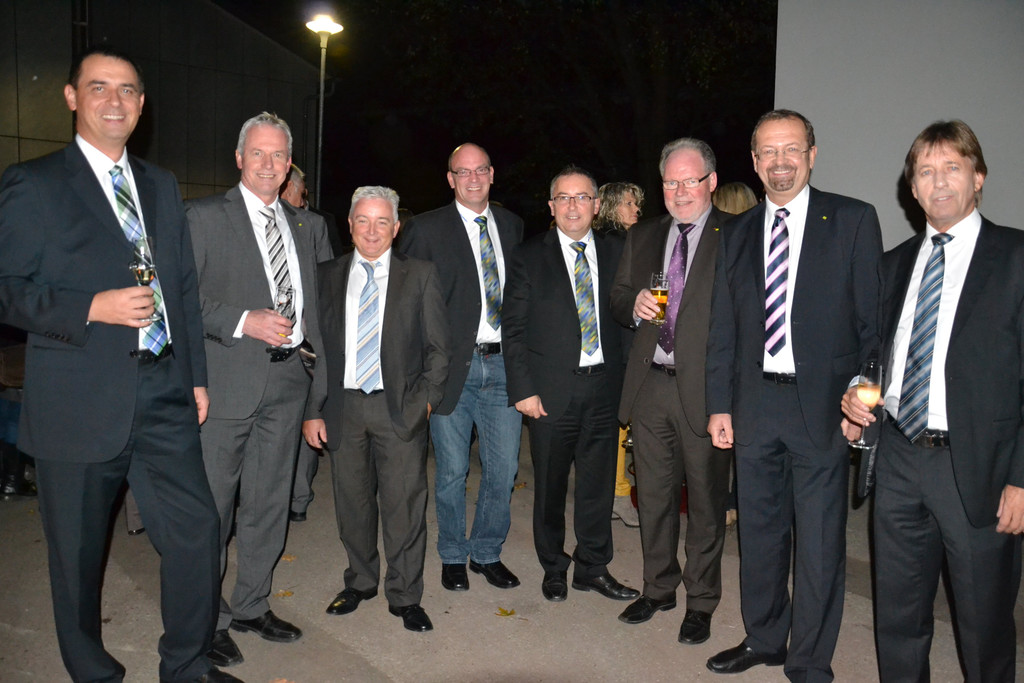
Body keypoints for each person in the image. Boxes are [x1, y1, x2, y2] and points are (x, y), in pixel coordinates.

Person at [0, 46, 236, 682]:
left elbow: (181, 288)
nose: (115, 100)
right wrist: (90, 308)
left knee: (196, 532)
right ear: (72, 97)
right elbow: (6, 288)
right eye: (99, 87)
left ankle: (187, 665)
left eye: (128, 90)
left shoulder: (159, 184)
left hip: (163, 390)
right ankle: (93, 673)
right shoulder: (33, 182)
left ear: (141, 104)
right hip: (78, 399)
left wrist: (195, 376)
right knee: (77, 558)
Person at [841, 120, 1024, 682]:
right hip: (898, 456)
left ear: (978, 178)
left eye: (952, 167)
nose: (939, 181)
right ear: (912, 188)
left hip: (979, 466)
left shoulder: (1016, 257)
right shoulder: (894, 263)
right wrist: (857, 395)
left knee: (984, 623)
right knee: (898, 615)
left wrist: (1022, 478)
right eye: (926, 171)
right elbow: (877, 353)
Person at [705, 109, 882, 680]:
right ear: (755, 162)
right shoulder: (736, 232)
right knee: (759, 534)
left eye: (792, 149)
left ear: (811, 155)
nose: (780, 162)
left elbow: (872, 326)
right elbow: (724, 326)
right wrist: (719, 404)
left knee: (821, 544)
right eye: (768, 151)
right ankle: (764, 638)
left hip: (825, 409)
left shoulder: (853, 219)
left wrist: (862, 400)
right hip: (754, 405)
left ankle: (809, 660)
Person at [185, 112, 324, 669]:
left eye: (278, 155)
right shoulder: (202, 217)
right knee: (213, 511)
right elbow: (177, 299)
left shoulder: (305, 225)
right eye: (258, 153)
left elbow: (319, 307)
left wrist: (318, 387)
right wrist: (243, 320)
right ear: (239, 158)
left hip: (288, 384)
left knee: (269, 504)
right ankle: (205, 619)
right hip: (224, 388)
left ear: (289, 165)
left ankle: (251, 605)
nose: (269, 164)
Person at [302, 186, 449, 632]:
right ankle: (361, 581)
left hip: (398, 409)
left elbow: (439, 349)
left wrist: (425, 402)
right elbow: (314, 349)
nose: (372, 230)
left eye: (382, 221)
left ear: (396, 227)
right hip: (343, 408)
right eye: (363, 220)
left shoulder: (420, 274)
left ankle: (405, 595)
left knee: (405, 506)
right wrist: (313, 410)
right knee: (352, 505)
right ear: (349, 225)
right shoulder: (326, 275)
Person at [611, 138, 731, 645]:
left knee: (705, 502)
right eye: (670, 182)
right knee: (655, 497)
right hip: (650, 386)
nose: (680, 191)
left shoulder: (735, 234)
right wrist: (632, 302)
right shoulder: (643, 235)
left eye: (690, 180)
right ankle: (658, 588)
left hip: (705, 390)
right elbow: (618, 297)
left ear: (711, 182)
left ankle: (700, 601)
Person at [502, 166, 636, 604]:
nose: (573, 206)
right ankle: (554, 567)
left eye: (581, 197)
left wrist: (631, 386)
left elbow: (629, 322)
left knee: (598, 486)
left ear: (596, 205)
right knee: (551, 488)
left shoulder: (619, 251)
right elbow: (513, 329)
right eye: (564, 197)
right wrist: (522, 389)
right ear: (551, 206)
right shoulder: (527, 256)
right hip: (549, 393)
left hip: (605, 389)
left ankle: (592, 568)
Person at [398, 143, 524, 592]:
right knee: (451, 472)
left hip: (504, 366)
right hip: (450, 370)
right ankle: (452, 554)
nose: (473, 178)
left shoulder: (512, 226)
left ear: (492, 174)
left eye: (480, 170)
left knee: (503, 469)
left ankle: (486, 552)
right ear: (450, 179)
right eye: (462, 172)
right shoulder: (425, 229)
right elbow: (406, 302)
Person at [279, 163, 334, 524]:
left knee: (308, 415)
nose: (304, 199)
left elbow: (325, 278)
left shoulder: (313, 224)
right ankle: (288, 497)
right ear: (290, 188)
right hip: (269, 341)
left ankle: (298, 496)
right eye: (301, 193)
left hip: (305, 342)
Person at [595, 181, 645, 529]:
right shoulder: (620, 243)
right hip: (623, 345)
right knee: (621, 421)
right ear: (612, 207)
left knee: (616, 421)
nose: (636, 209)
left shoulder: (603, 241)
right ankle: (618, 493)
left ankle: (613, 491)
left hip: (611, 344)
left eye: (636, 203)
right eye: (628, 203)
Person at [710, 181, 757, 528]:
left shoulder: (722, 242)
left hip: (729, 353)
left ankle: (725, 501)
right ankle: (738, 500)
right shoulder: (760, 242)